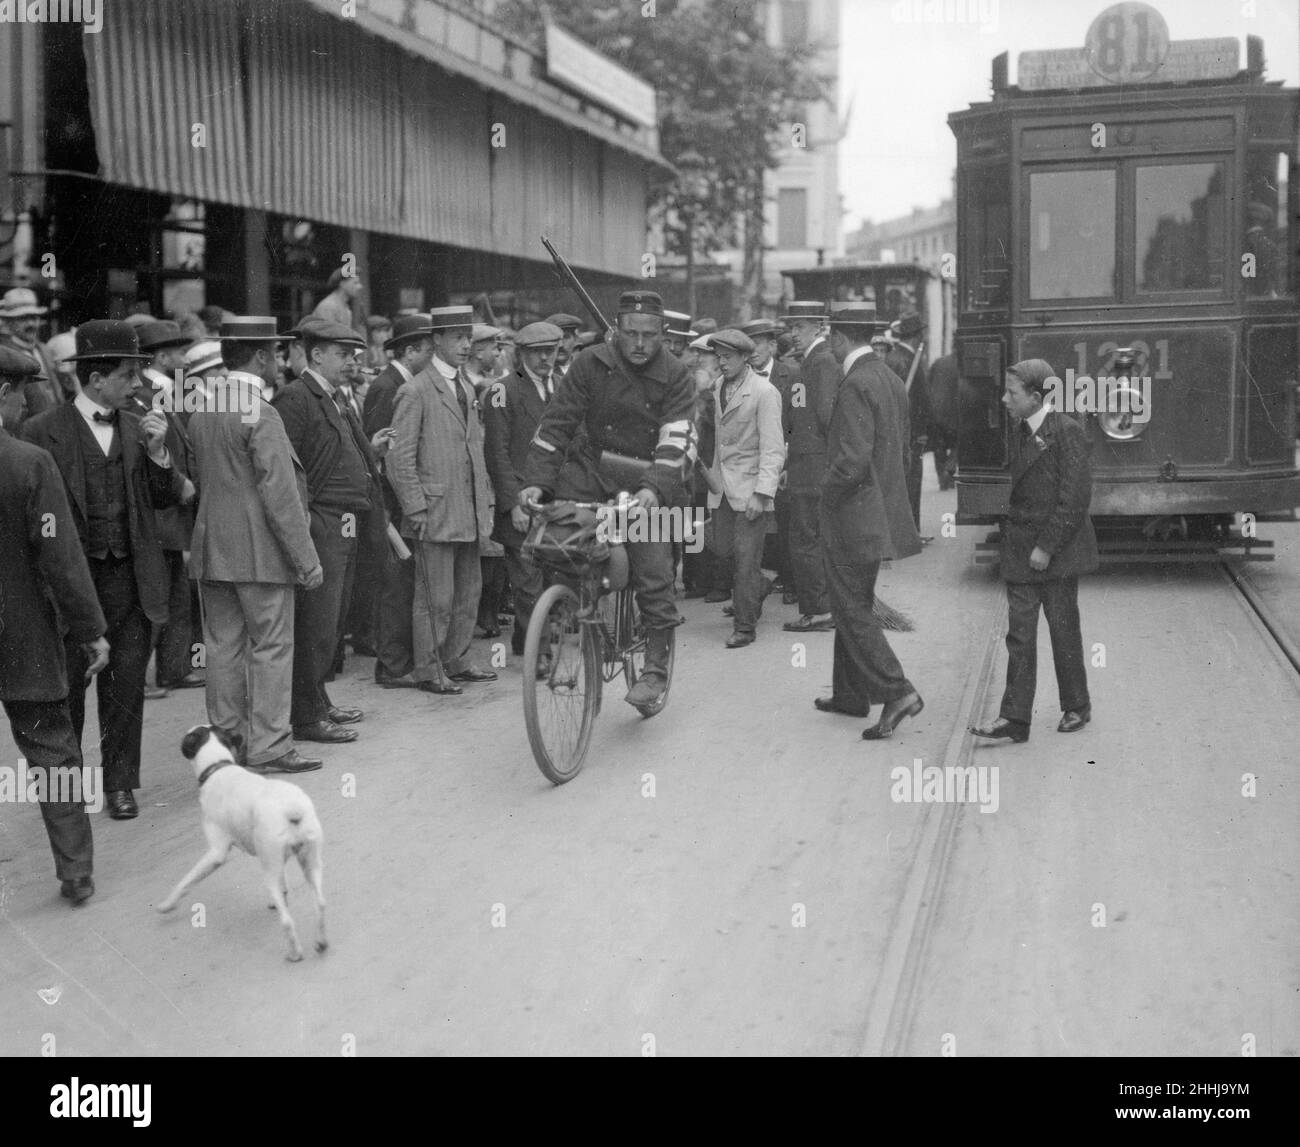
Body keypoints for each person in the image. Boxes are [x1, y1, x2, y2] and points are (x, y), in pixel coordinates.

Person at [23, 320, 185, 819]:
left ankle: (119, 784)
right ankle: (66, 790)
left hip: (132, 580)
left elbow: (164, 501)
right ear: (96, 379)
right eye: (129, 375)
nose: (139, 384)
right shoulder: (40, 431)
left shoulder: (142, 428)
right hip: (69, 587)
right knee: (67, 688)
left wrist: (160, 457)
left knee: (127, 685)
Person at [518, 290, 695, 708]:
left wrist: (653, 488)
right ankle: (568, 627)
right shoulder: (589, 363)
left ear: (662, 333)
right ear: (616, 329)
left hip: (650, 480)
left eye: (649, 335)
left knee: (654, 573)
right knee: (561, 547)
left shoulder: (676, 375)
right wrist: (536, 483)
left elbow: (679, 440)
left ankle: (654, 668)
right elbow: (556, 425)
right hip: (591, 473)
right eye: (630, 334)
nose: (638, 344)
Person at [188, 317, 324, 773]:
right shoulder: (261, 413)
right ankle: (271, 746)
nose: (281, 361)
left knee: (222, 649)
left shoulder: (203, 409)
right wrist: (306, 560)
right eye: (276, 353)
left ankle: (227, 746)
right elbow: (280, 497)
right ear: (261, 356)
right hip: (261, 554)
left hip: (212, 550)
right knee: (271, 647)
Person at [0, 354, 107, 904]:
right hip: (23, 634)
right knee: (52, 750)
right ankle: (75, 871)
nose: (24, 404)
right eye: (20, 392)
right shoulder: (30, 463)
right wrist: (91, 630)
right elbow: (62, 558)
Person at [971, 359, 1097, 743]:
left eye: (1013, 393)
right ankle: (1015, 719)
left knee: (1063, 631)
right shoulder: (1020, 430)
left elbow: (1074, 500)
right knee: (1020, 636)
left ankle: (1076, 706)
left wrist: (1045, 547)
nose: (1005, 399)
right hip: (1021, 551)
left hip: (1054, 553)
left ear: (1036, 397)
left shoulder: (1067, 433)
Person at [273, 317, 386, 744]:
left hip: (345, 523)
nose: (351, 362)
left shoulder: (333, 397)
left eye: (353, 354)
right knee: (316, 625)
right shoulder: (297, 397)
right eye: (342, 354)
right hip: (322, 523)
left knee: (332, 622)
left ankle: (318, 701)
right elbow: (289, 468)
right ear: (316, 354)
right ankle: (304, 717)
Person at [815, 302, 924, 740]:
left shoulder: (855, 383)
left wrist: (824, 496)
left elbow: (851, 461)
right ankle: (850, 694)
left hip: (853, 516)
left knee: (850, 606)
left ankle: (897, 691)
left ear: (840, 337)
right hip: (880, 512)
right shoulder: (891, 378)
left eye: (829, 339)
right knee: (853, 598)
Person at [387, 305, 498, 694]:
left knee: (469, 591)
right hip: (434, 510)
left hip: (465, 508)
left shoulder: (465, 388)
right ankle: (429, 668)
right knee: (436, 598)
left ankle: (456, 659)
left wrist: (483, 502)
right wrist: (415, 506)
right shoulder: (415, 390)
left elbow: (474, 451)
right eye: (458, 337)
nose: (466, 345)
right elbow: (398, 458)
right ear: (436, 340)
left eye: (469, 337)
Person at [362, 314, 434, 687]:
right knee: (395, 582)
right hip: (388, 502)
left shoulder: (396, 383)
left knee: (401, 581)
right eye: (427, 349)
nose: (432, 356)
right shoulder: (386, 387)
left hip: (395, 499)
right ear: (409, 351)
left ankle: (395, 659)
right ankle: (391, 665)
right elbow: (379, 450)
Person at [483, 322, 561, 659]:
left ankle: (524, 639)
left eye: (551, 350)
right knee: (528, 583)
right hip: (521, 501)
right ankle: (538, 654)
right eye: (537, 351)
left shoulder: (563, 387)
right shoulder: (503, 390)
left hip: (555, 500)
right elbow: (496, 452)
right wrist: (512, 503)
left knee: (545, 575)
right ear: (521, 354)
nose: (545, 357)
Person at [135, 320, 202, 695]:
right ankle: (141, 675)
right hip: (161, 511)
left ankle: (174, 668)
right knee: (157, 596)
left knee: (177, 594)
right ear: (161, 357)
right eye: (179, 354)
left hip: (174, 511)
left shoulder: (166, 393)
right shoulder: (146, 396)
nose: (186, 360)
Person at [706, 328, 784, 649]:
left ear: (744, 357)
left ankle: (745, 626)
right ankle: (760, 585)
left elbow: (774, 449)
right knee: (720, 549)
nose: (721, 363)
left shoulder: (765, 392)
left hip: (751, 489)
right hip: (721, 487)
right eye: (718, 357)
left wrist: (762, 493)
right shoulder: (715, 388)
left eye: (727, 357)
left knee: (745, 560)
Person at [781, 300, 837, 633]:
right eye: (792, 328)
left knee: (806, 540)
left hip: (814, 470)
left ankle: (818, 610)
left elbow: (829, 418)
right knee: (806, 538)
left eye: (800, 327)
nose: (794, 334)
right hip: (804, 467)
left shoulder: (823, 363)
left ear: (818, 327)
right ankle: (819, 607)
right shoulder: (812, 362)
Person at [741, 318, 797, 601]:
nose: (752, 352)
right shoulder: (738, 378)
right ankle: (750, 590)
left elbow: (800, 422)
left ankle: (789, 581)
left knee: (786, 523)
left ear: (773, 346)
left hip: (783, 461)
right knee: (752, 528)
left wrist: (789, 461)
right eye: (747, 346)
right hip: (750, 465)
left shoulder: (794, 376)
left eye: (758, 345)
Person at [883, 313, 935, 537]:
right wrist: (922, 432)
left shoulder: (897, 357)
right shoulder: (906, 360)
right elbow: (917, 401)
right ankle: (909, 531)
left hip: (904, 432)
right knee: (910, 481)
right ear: (918, 335)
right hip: (910, 434)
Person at [0, 287, 59, 423]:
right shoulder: (5, 356)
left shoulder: (44, 350)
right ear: (8, 322)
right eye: (23, 319)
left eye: (34, 317)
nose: (31, 324)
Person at [544, 313, 581, 385]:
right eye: (555, 339)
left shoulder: (584, 368)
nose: (561, 345)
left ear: (575, 339)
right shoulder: (541, 373)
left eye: (566, 337)